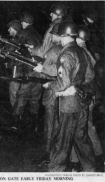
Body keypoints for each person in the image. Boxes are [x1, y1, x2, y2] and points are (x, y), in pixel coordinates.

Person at [44, 21, 96, 172]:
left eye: (60, 35)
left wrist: (50, 85)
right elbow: (90, 76)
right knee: (81, 139)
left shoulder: (66, 54)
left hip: (68, 105)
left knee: (62, 141)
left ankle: (55, 173)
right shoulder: (82, 51)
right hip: (82, 103)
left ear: (64, 35)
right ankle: (91, 170)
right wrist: (76, 86)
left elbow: (62, 83)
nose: (59, 38)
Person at [69, 25, 103, 170]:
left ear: (77, 38)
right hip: (91, 94)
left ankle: (76, 162)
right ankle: (99, 156)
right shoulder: (88, 52)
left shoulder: (79, 52)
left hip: (83, 95)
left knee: (77, 127)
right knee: (88, 127)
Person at [32, 23, 62, 162]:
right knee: (56, 122)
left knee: (50, 123)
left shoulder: (54, 50)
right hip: (57, 89)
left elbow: (52, 69)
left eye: (53, 34)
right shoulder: (62, 49)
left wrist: (41, 70)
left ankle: (49, 154)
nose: (51, 36)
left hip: (52, 90)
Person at [12, 11, 43, 131]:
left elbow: (14, 46)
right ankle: (34, 124)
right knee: (35, 97)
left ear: (23, 22)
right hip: (39, 70)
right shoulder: (37, 34)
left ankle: (16, 124)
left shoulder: (24, 33)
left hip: (28, 70)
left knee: (22, 95)